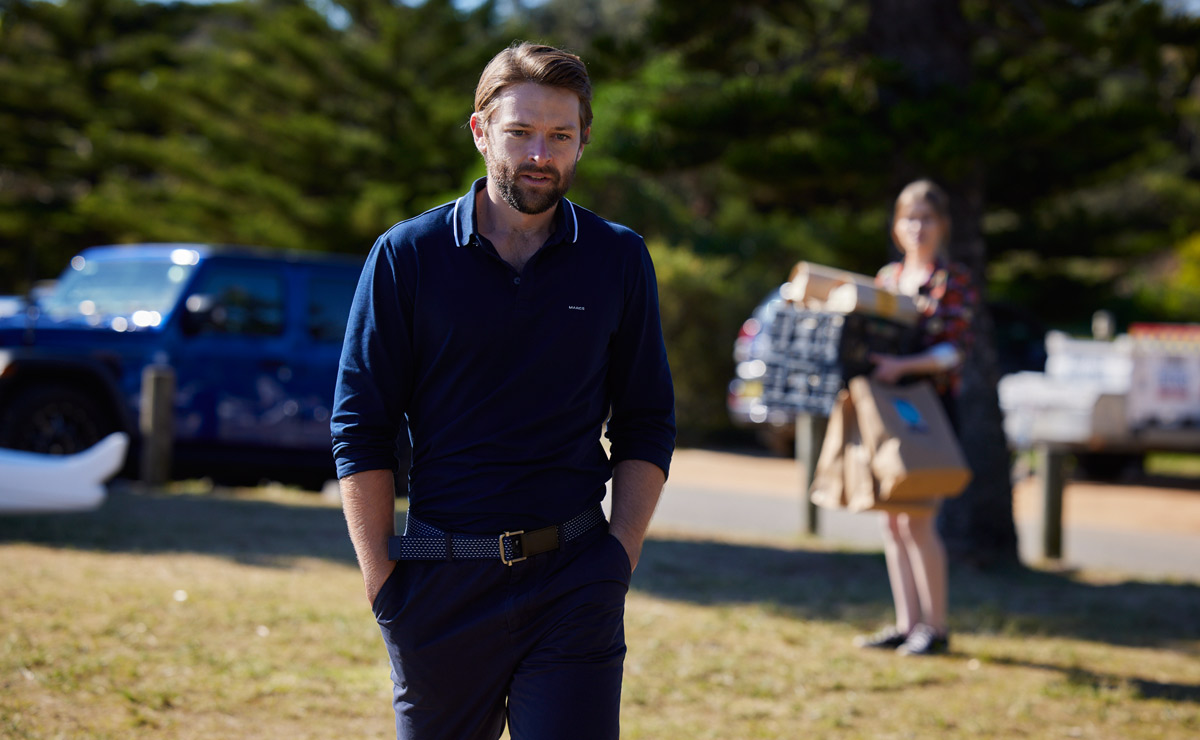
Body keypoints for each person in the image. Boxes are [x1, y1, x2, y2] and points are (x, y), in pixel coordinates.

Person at [330, 42, 675, 739]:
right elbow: (361, 427)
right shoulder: (407, 256)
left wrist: (617, 558)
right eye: (520, 132)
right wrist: (384, 587)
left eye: (560, 135)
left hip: (575, 581)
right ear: (481, 131)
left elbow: (646, 419)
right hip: (439, 584)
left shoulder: (618, 258)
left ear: (583, 141)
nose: (540, 154)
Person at [854, 179, 978, 657]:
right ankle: (907, 625)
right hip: (886, 411)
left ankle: (935, 627)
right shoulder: (887, 279)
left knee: (919, 522)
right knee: (892, 523)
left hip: (929, 414)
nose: (917, 227)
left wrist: (902, 366)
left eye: (926, 218)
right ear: (896, 226)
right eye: (909, 218)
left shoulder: (953, 281)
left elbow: (953, 352)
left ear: (942, 225)